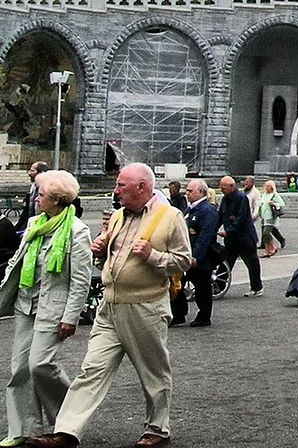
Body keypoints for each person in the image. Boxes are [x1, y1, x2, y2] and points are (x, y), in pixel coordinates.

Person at [32, 163, 191, 448]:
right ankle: (66, 432)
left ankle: (157, 428)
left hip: (145, 307)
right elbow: (114, 259)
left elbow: (183, 260)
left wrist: (153, 255)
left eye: (121, 185)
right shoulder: (118, 216)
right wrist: (101, 252)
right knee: (91, 370)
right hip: (109, 307)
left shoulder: (171, 217)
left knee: (153, 372)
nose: (115, 190)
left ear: (141, 187)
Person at [0, 169, 92, 448]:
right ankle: (22, 429)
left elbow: (80, 280)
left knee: (40, 364)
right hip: (25, 304)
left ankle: (69, 420)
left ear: (56, 200)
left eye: (41, 195)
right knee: (19, 369)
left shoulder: (78, 231)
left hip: (54, 308)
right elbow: (17, 262)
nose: (36, 198)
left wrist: (71, 316)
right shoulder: (33, 224)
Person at [170, 180, 219, 329]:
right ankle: (179, 314)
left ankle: (204, 316)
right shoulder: (190, 209)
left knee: (202, 287)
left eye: (191, 191)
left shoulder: (207, 210)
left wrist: (196, 256)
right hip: (185, 254)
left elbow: (205, 235)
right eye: (187, 190)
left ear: (201, 193)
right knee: (177, 285)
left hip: (201, 257)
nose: (187, 193)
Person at [217, 175, 263, 297]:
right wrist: (212, 228)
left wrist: (229, 230)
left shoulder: (241, 198)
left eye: (224, 188)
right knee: (226, 262)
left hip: (245, 237)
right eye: (221, 187)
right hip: (232, 239)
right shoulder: (225, 199)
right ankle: (218, 286)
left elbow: (241, 218)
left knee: (251, 263)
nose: (221, 190)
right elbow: (220, 216)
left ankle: (257, 287)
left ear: (232, 186)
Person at [257, 180, 286, 257]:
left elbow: (282, 204)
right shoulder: (263, 195)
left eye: (268, 186)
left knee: (266, 233)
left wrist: (273, 203)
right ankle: (268, 249)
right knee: (264, 233)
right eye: (265, 186)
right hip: (264, 216)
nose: (266, 188)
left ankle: (271, 248)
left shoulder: (274, 195)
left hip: (270, 216)